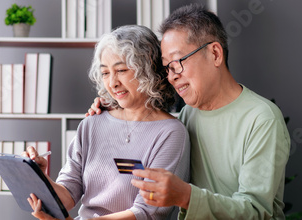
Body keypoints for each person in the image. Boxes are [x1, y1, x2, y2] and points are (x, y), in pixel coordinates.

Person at [87, 4, 290, 220]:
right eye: (166, 67)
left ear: (215, 53)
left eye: (177, 62)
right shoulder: (185, 117)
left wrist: (186, 196)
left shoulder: (262, 118)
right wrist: (117, 109)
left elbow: (257, 212)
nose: (171, 76)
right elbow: (147, 129)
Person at [25, 25, 190, 220]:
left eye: (120, 70)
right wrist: (40, 178)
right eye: (105, 73)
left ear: (147, 70)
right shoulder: (91, 124)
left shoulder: (170, 133)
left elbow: (146, 213)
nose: (112, 83)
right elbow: (67, 196)